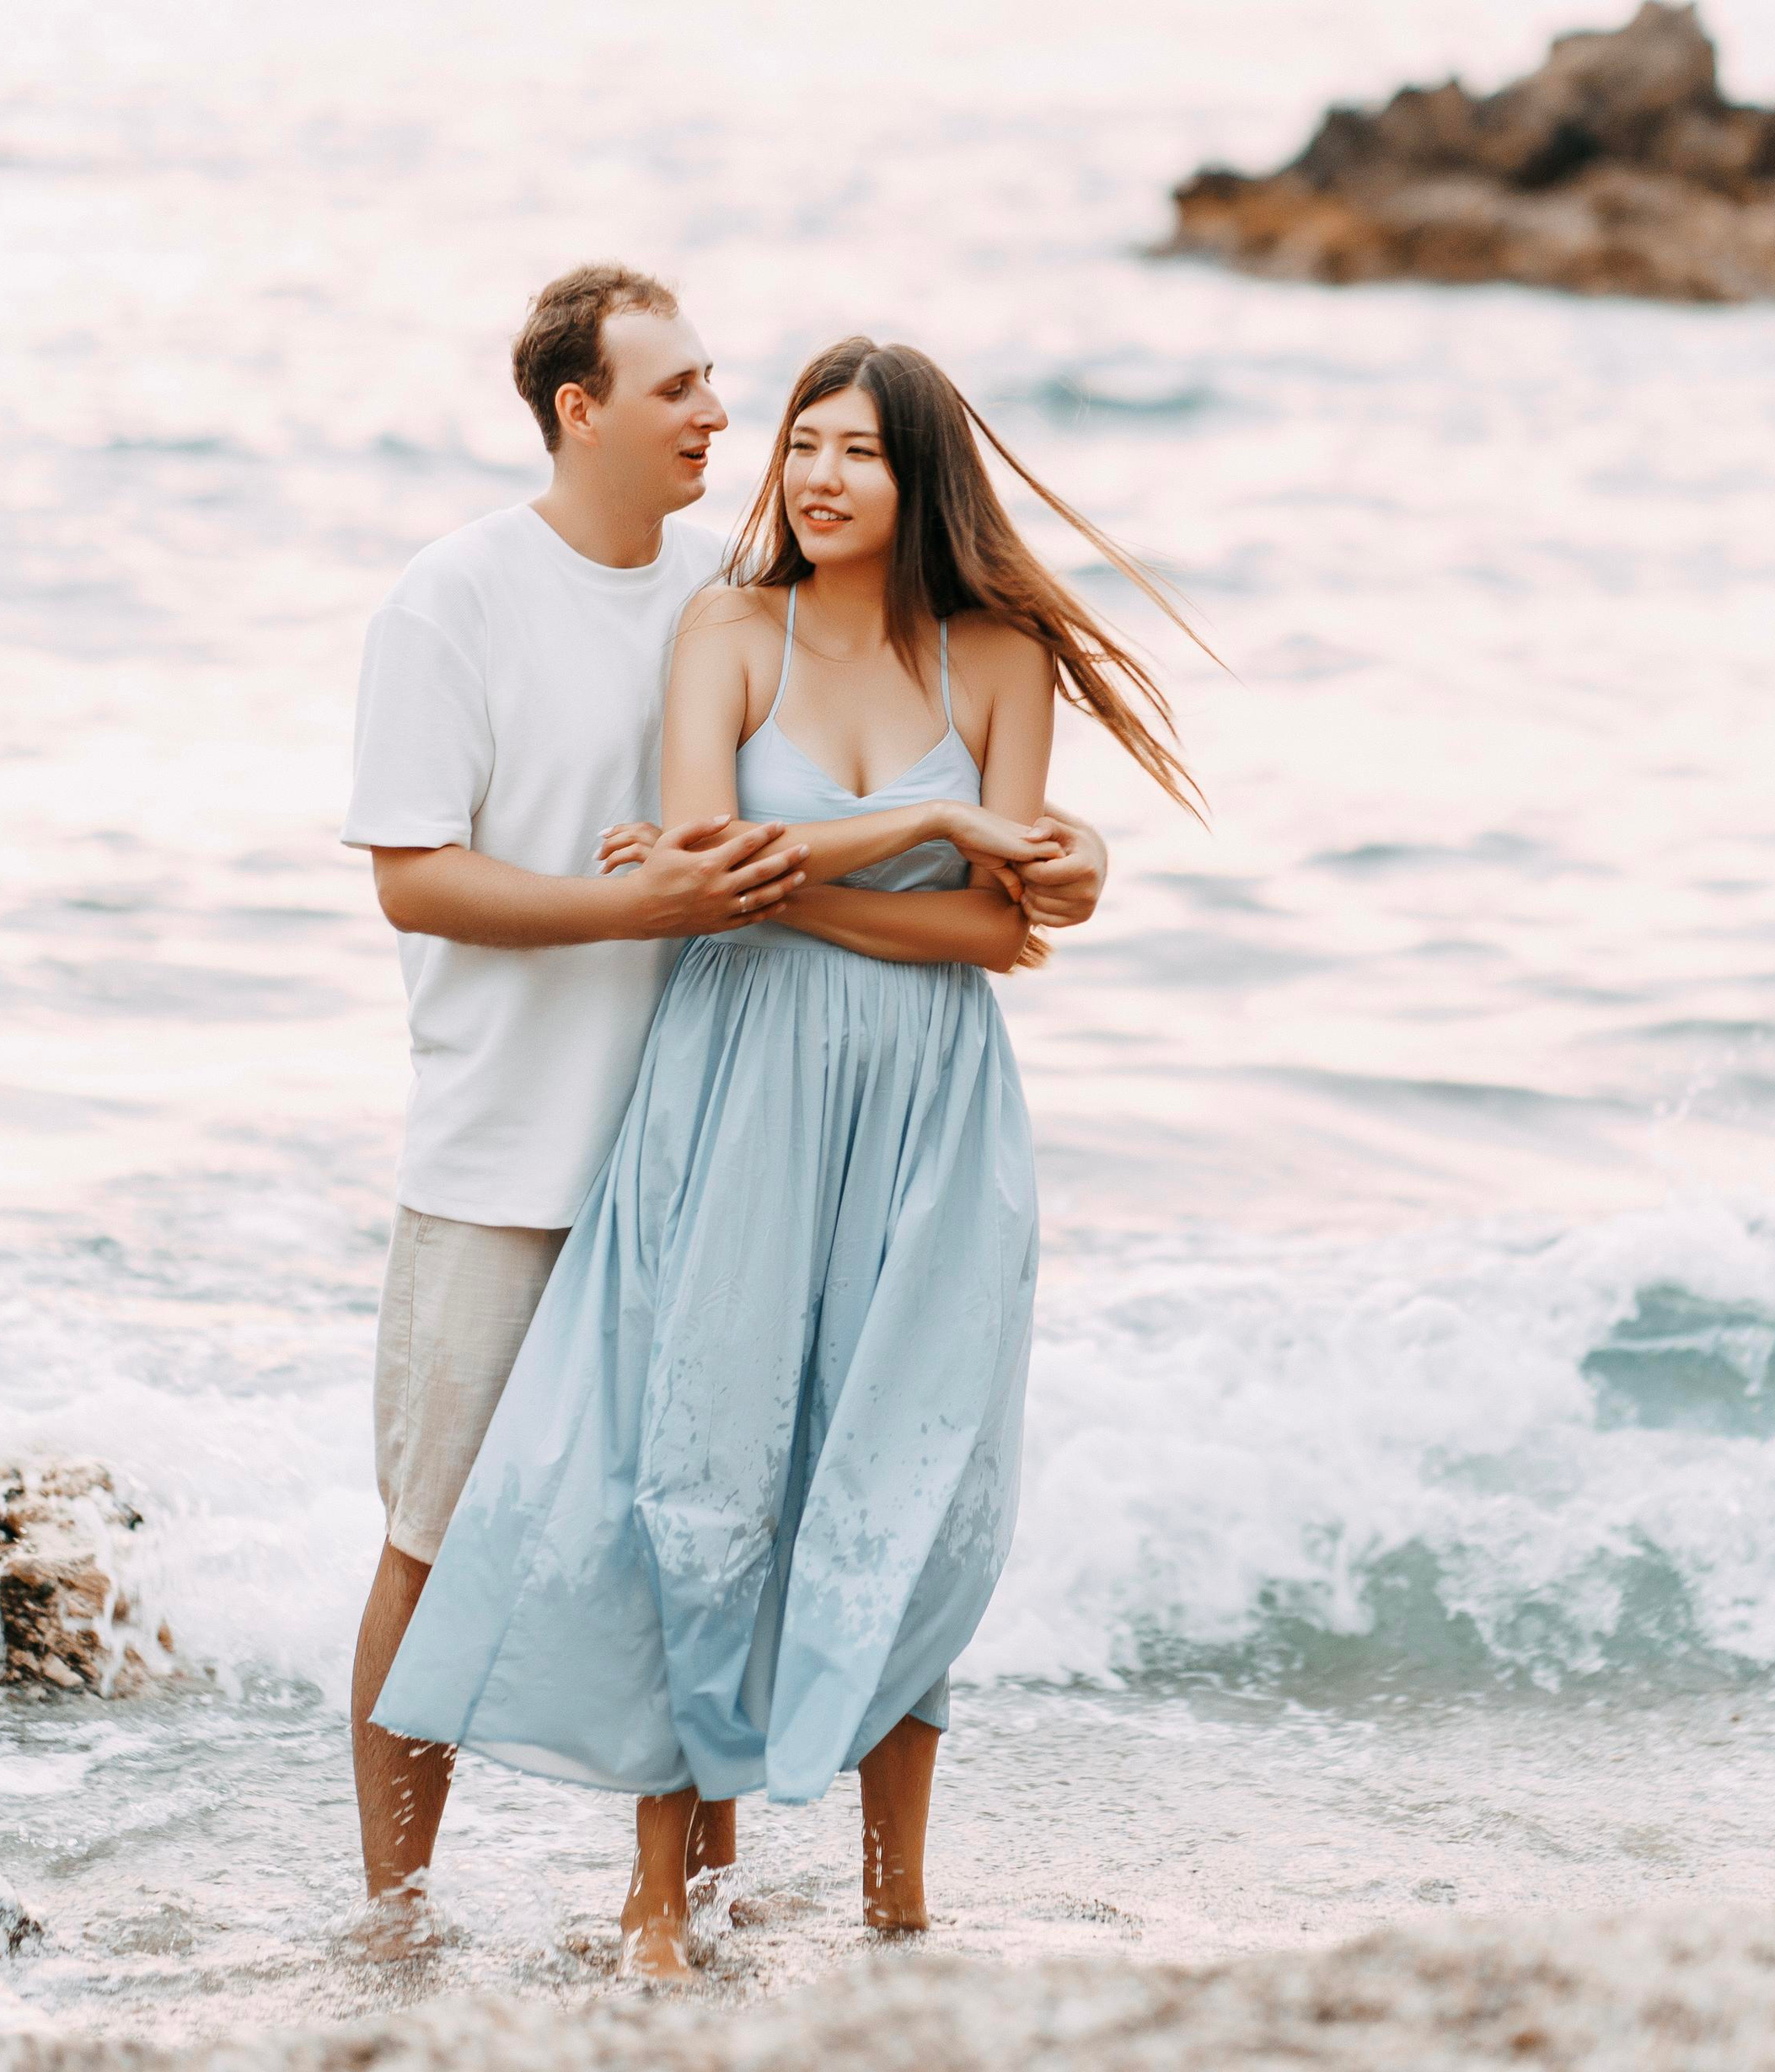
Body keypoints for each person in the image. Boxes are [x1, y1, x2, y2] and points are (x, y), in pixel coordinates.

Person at [371, 334, 1204, 1978]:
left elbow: (988, 932)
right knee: (707, 1462)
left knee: (915, 1471)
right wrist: (933, 825)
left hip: (930, 1109)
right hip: (735, 1083)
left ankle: (897, 1894)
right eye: (802, 444)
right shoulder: (726, 628)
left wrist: (837, 872)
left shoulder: (998, 658)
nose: (817, 475)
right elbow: (701, 851)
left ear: (921, 482)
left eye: (859, 453)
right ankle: (656, 1895)